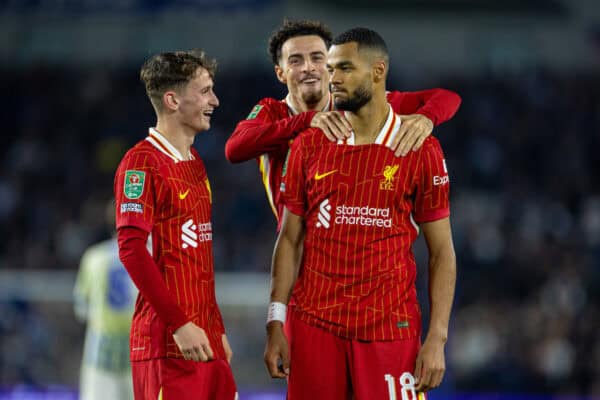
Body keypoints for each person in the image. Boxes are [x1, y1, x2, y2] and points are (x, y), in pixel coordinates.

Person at [264, 28, 457, 400]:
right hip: (314, 327)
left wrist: (437, 338)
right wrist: (276, 321)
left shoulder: (421, 148)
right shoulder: (309, 144)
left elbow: (442, 252)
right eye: (331, 68)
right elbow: (289, 239)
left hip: (390, 330)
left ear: (377, 71)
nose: (331, 78)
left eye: (344, 68)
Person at [225, 19, 461, 230]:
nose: (308, 67)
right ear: (281, 73)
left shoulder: (355, 104)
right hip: (297, 250)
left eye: (317, 57)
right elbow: (235, 149)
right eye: (296, 61)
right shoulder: (272, 112)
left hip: (352, 244)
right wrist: (306, 121)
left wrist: (427, 117)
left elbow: (447, 97)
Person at [114, 50, 237, 400]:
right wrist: (179, 324)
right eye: (205, 91)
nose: (215, 100)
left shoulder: (196, 162)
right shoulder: (141, 163)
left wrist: (216, 327)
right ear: (172, 100)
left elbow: (197, 259)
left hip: (206, 340)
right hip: (169, 344)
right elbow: (132, 251)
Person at [74, 200, 137, 400]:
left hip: (101, 352)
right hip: (139, 351)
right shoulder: (152, 256)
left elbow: (81, 309)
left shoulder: (94, 258)